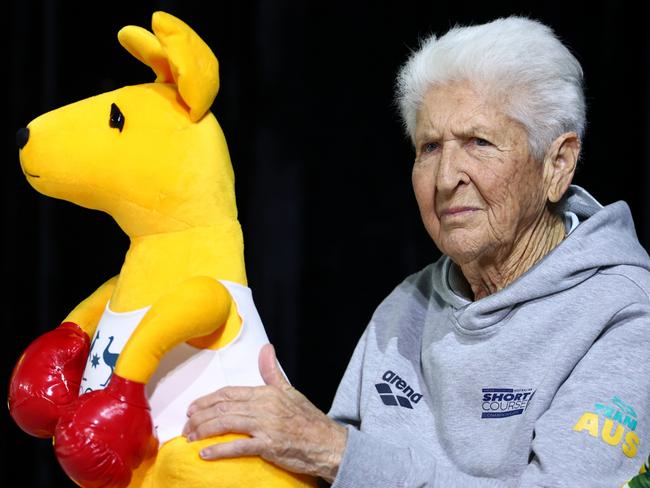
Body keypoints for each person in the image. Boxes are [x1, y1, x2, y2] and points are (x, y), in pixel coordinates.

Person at [183, 16, 650, 486]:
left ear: (557, 164)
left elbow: (341, 457)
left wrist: (334, 453)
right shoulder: (407, 306)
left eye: (478, 142)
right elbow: (333, 462)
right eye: (429, 147)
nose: (446, 178)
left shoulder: (628, 315)